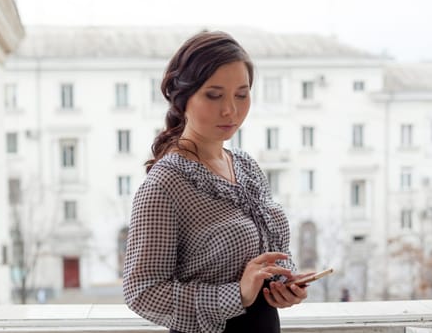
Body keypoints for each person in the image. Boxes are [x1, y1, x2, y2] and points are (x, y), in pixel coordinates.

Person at [123, 30, 310, 333]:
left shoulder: (246, 166)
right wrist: (237, 294)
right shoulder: (165, 184)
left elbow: (265, 256)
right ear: (183, 98)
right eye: (214, 95)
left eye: (241, 94)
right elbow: (141, 292)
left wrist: (284, 282)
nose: (230, 110)